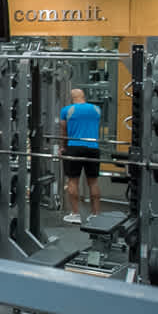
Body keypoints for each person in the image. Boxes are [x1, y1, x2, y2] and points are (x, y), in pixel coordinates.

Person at [59, 87, 103, 225]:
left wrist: (63, 147)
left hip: (74, 147)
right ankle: (95, 214)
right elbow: (96, 128)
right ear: (83, 96)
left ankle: (75, 214)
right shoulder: (96, 109)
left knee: (73, 181)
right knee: (93, 182)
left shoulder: (66, 110)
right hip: (93, 147)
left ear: (72, 98)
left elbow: (64, 132)